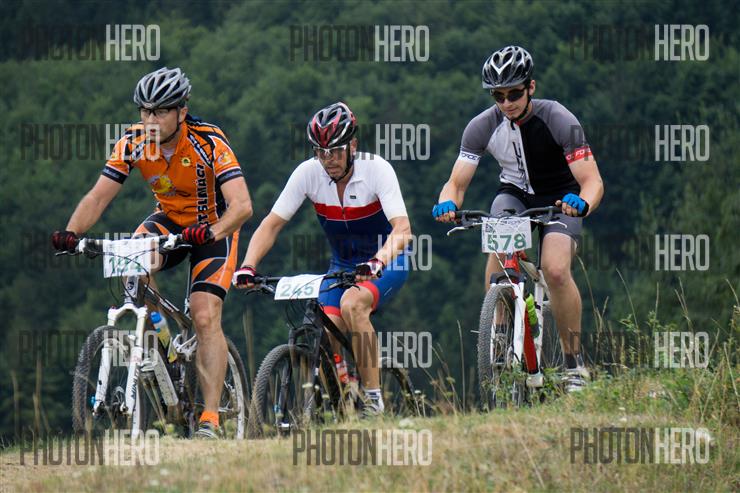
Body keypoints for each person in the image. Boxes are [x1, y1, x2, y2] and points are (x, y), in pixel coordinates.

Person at [51, 67, 253, 437]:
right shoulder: (132, 141)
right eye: (145, 111)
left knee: (204, 314)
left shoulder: (209, 142)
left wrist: (211, 231)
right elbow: (98, 196)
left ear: (182, 111)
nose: (150, 120)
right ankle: (165, 346)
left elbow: (242, 206)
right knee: (131, 270)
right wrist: (71, 233)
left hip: (214, 228)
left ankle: (210, 417)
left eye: (160, 112)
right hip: (169, 222)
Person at [432, 46, 604, 392]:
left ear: (531, 87)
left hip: (561, 197)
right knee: (498, 259)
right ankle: (498, 336)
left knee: (555, 270)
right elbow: (456, 183)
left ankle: (573, 364)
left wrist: (582, 203)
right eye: (498, 96)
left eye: (514, 93)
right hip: (514, 195)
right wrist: (447, 202)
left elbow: (593, 181)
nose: (506, 102)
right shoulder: (481, 126)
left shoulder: (559, 118)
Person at [232, 102, 412, 416]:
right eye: (321, 152)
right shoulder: (308, 173)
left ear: (353, 145)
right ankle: (342, 396)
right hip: (342, 265)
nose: (328, 159)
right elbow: (271, 224)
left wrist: (379, 261)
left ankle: (373, 400)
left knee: (352, 305)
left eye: (336, 151)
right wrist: (248, 266)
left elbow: (403, 230)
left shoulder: (377, 170)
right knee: (325, 329)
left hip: (386, 260)